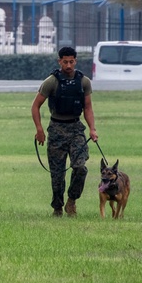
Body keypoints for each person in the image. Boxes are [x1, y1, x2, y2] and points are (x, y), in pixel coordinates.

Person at [31, 45, 98, 217]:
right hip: (56, 130)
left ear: (75, 61)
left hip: (76, 129)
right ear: (59, 61)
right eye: (65, 62)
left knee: (80, 168)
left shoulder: (84, 82)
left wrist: (92, 129)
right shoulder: (51, 82)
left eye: (71, 62)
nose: (68, 65)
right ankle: (57, 208)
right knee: (57, 174)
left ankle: (72, 201)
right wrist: (39, 130)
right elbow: (35, 106)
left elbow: (88, 108)